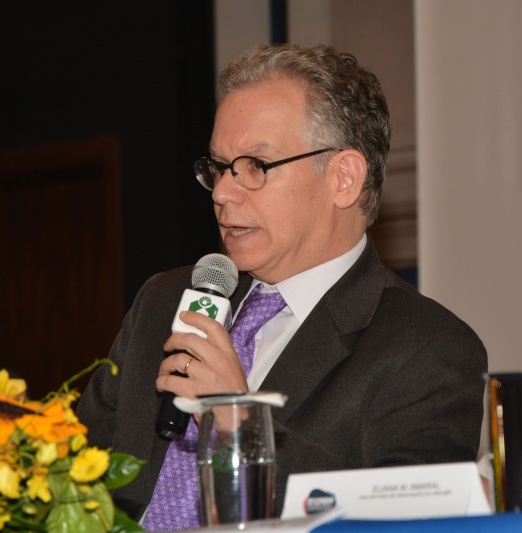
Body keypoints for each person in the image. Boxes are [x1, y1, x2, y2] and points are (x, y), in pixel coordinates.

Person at [77, 44, 487, 529]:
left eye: (255, 166)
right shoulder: (164, 301)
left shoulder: (429, 349)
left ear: (343, 178)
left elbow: (406, 522)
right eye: (218, 167)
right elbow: (73, 471)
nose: (224, 193)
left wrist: (239, 424)